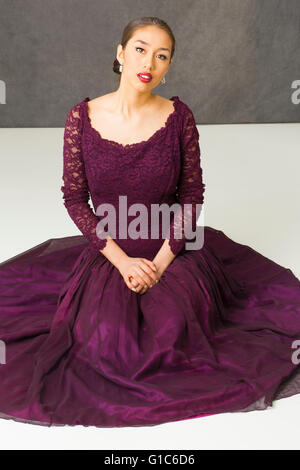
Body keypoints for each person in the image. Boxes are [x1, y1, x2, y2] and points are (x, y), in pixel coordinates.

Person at [0, 16, 300, 429]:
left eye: (162, 56)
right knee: (105, 344)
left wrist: (160, 264)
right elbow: (74, 198)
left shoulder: (179, 117)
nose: (149, 62)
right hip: (109, 251)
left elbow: (192, 198)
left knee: (173, 336)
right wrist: (122, 262)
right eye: (140, 49)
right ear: (120, 54)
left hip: (173, 251)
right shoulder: (80, 118)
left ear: (168, 67)